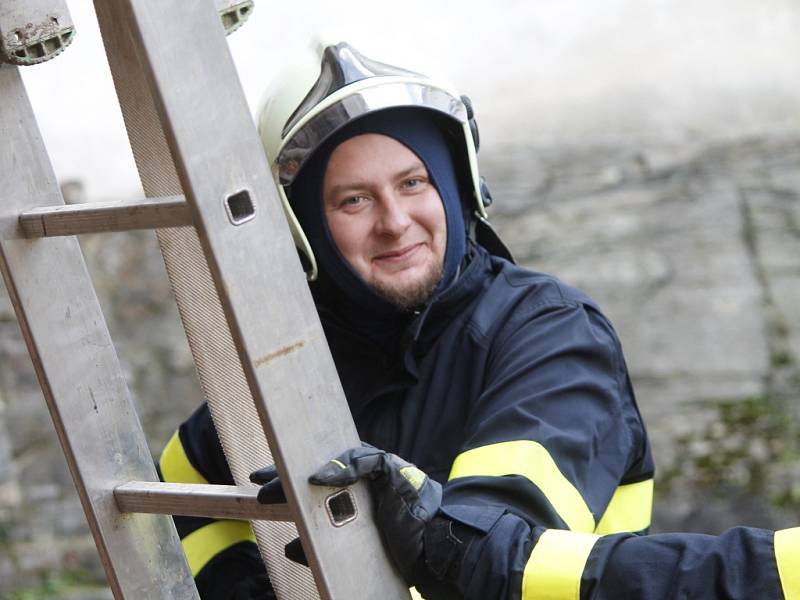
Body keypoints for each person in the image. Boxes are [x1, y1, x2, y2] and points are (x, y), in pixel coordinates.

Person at [159, 42, 798, 599]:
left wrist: (430, 526)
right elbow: (186, 479)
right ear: (302, 231)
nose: (394, 220)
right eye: (353, 199)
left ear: (457, 185)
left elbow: (499, 555)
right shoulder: (294, 360)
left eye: (414, 183)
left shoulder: (550, 334)